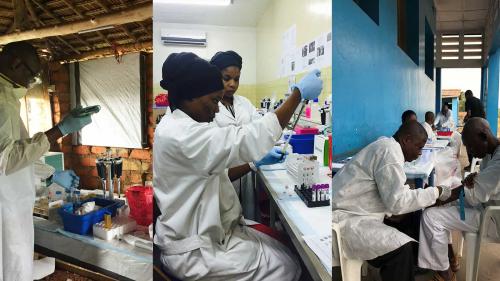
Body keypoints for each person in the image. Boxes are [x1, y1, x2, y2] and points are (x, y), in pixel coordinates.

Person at [154, 52, 323, 280]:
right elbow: (247, 138)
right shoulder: (181, 134)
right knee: (289, 267)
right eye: (213, 101)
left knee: (285, 249)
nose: (216, 110)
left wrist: (254, 162)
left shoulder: (178, 123)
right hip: (196, 251)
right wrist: (297, 94)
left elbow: (218, 167)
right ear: (191, 96)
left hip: (213, 231)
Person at [0, 41, 95, 280]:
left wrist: (50, 175)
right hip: (5, 209)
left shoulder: (8, 97)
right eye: (32, 76)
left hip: (13, 203)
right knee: (11, 266)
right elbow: (6, 159)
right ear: (15, 63)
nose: (31, 83)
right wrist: (60, 129)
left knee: (19, 263)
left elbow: (18, 148)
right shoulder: (1, 101)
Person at [332, 121, 449, 281]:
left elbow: (394, 195)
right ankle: (404, 266)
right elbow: (398, 203)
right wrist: (437, 191)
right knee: (401, 249)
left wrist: (424, 197)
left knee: (413, 214)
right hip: (348, 220)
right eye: (419, 147)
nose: (420, 153)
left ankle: (413, 265)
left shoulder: (388, 146)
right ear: (406, 140)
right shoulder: (389, 153)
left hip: (359, 211)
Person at [418, 117, 500, 281]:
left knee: (431, 216)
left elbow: (474, 192)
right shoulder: (492, 152)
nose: (469, 151)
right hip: (484, 208)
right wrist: (473, 180)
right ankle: (450, 256)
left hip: (492, 220)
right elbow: (479, 187)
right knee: (453, 183)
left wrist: (438, 198)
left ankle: (445, 273)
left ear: (484, 136)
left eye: (470, 145)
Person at [210, 50, 263, 220]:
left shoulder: (244, 103)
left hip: (247, 173)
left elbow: (260, 127)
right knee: (225, 219)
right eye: (226, 78)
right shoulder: (208, 106)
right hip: (223, 173)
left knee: (248, 217)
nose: (232, 84)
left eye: (237, 79)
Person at [463, 90, 485, 170]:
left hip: (474, 125)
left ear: (467, 96)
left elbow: (469, 114)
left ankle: (470, 164)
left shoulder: (468, 100)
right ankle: (477, 162)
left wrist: (465, 119)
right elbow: (484, 113)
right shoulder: (479, 100)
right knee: (478, 143)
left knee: (468, 144)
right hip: (482, 125)